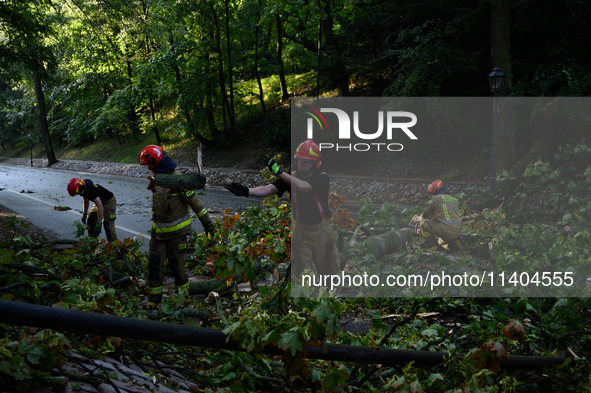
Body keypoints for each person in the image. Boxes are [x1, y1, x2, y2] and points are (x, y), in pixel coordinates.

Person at [225, 140, 339, 276]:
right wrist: (246, 191)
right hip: (301, 229)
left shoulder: (322, 178)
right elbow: (269, 189)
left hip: (321, 229)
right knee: (300, 274)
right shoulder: (291, 177)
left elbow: (303, 186)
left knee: (328, 272)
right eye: (299, 160)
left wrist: (279, 171)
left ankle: (330, 295)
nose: (301, 164)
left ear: (315, 163)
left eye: (305, 161)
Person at [138, 145, 214, 310]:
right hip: (158, 235)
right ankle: (153, 301)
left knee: (178, 268)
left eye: (150, 165)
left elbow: (196, 203)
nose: (149, 169)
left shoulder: (178, 180)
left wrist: (208, 224)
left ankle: (182, 301)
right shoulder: (157, 179)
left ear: (155, 162)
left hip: (176, 235)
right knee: (154, 266)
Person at [414, 179, 463, 251]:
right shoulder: (453, 199)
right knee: (440, 241)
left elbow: (425, 214)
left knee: (423, 223)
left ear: (435, 191)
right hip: (457, 231)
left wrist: (420, 218)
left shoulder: (435, 198)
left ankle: (432, 246)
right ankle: (455, 242)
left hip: (444, 229)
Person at [67, 178, 118, 242]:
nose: (78, 194)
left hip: (109, 202)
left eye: (78, 192)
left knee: (108, 224)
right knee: (91, 217)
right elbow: (86, 200)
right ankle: (93, 240)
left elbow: (100, 207)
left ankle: (114, 245)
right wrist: (84, 213)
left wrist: (99, 223)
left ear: (80, 188)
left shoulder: (91, 190)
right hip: (100, 202)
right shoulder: (83, 189)